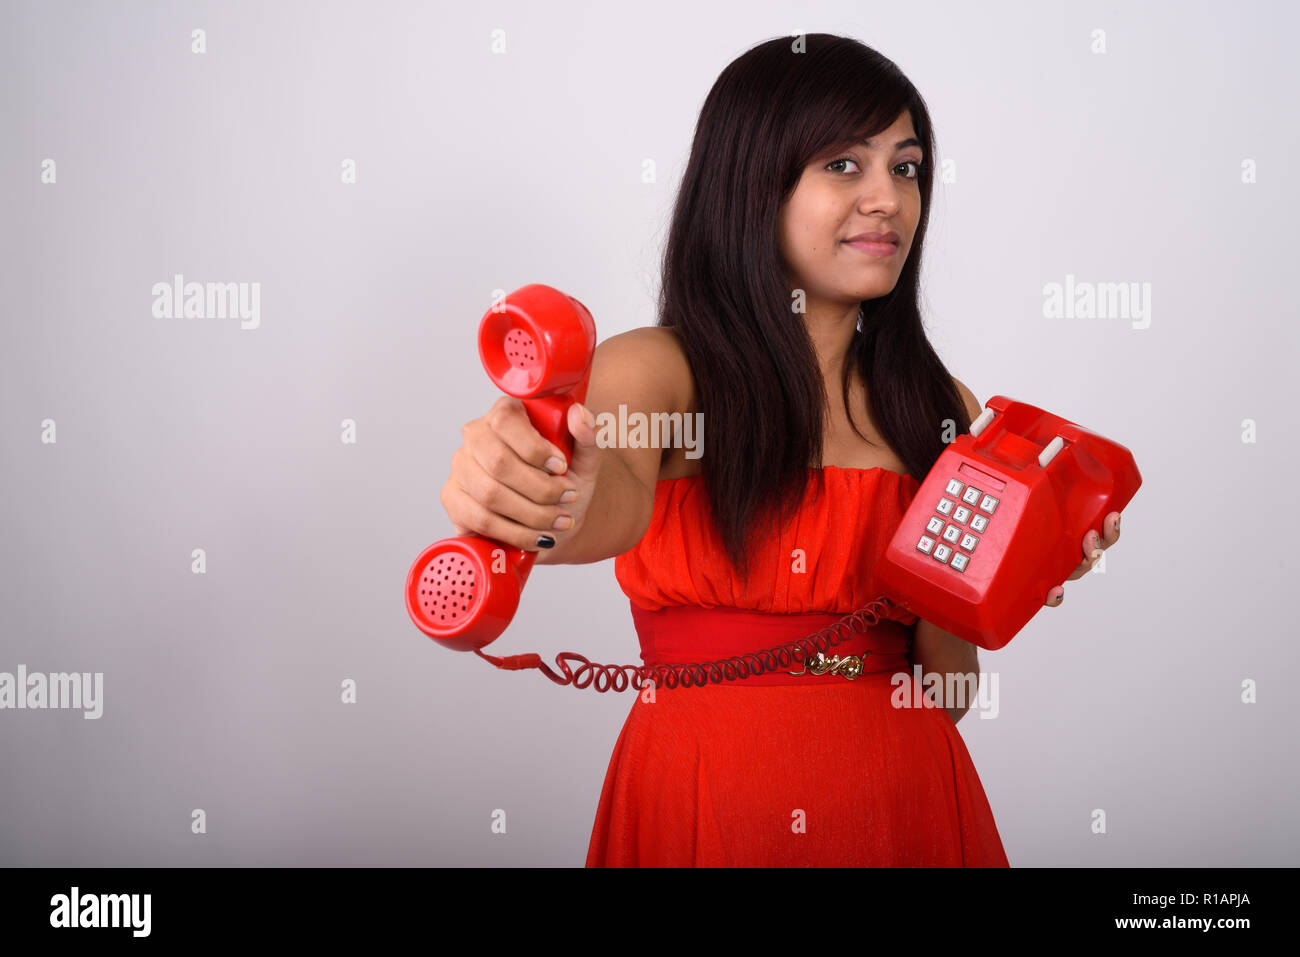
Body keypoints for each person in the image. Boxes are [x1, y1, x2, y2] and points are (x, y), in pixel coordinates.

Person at [441, 33, 1122, 867]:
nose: (888, 200)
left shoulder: (942, 408)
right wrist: (547, 495)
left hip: (907, 799)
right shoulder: (658, 370)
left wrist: (1004, 574)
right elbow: (603, 501)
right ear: (753, 183)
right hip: (705, 801)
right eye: (844, 165)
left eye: (904, 168)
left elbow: (946, 695)